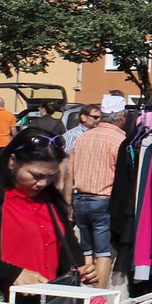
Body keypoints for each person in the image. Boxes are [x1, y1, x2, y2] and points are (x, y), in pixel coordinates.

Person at [0, 132, 92, 293]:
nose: (43, 183)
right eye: (36, 175)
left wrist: (79, 270)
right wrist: (12, 273)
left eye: (51, 176)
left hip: (49, 300)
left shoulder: (50, 198)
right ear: (12, 161)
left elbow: (69, 244)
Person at [64, 110, 127, 286]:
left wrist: (68, 203)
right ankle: (98, 297)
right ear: (121, 118)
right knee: (103, 253)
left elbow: (69, 172)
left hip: (80, 198)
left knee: (86, 250)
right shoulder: (119, 140)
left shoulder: (82, 138)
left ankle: (84, 291)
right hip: (103, 199)